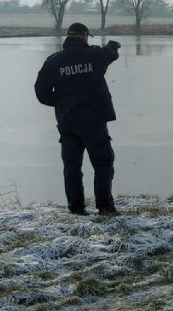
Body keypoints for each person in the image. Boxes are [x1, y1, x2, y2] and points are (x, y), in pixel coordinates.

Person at [34, 22, 122, 216]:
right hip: (94, 121)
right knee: (103, 163)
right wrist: (114, 44)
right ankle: (105, 207)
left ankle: (76, 208)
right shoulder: (95, 55)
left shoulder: (53, 61)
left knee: (72, 167)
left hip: (68, 122)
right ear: (84, 36)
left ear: (68, 36)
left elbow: (41, 92)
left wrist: (61, 103)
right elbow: (111, 53)